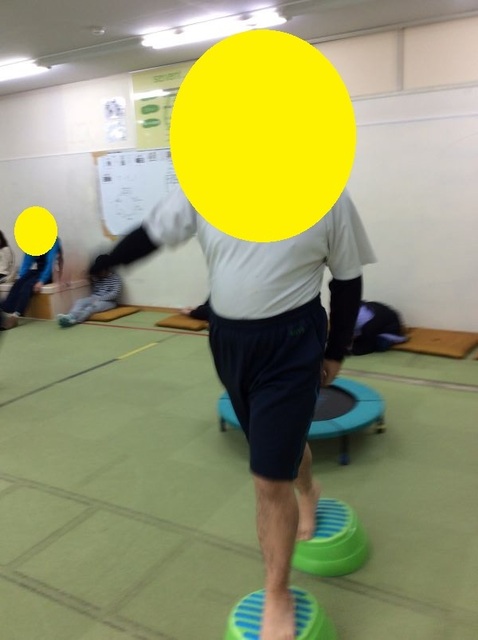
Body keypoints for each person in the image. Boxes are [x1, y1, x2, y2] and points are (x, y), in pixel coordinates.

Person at [89, 185, 376, 640]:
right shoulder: (209, 183)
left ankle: (277, 593)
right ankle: (308, 490)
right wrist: (109, 259)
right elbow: (155, 231)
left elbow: (347, 278)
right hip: (230, 343)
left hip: (292, 341)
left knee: (267, 479)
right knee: (274, 449)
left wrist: (337, 349)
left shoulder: (325, 192)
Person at [0, 238, 61, 329]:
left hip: (53, 272)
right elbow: (27, 262)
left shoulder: (53, 241)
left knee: (27, 286)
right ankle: (5, 310)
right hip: (39, 270)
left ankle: (15, 315)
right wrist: (21, 277)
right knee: (18, 283)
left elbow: (50, 263)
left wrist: (41, 281)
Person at [57, 263, 122, 327]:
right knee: (79, 302)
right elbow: (95, 290)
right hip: (94, 297)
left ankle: (75, 320)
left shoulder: (115, 278)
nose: (99, 273)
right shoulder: (97, 277)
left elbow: (114, 294)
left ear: (105, 269)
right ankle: (70, 316)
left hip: (109, 301)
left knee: (91, 307)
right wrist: (90, 279)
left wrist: (99, 299)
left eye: (100, 271)